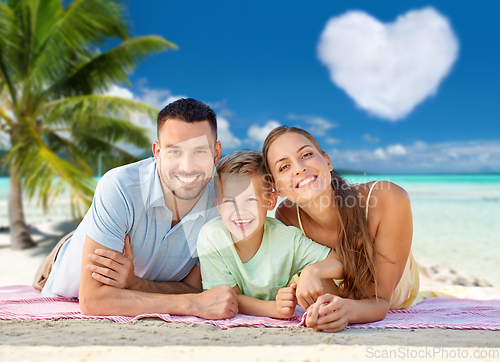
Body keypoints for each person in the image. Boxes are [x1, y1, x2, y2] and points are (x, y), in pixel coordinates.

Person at [39, 98, 238, 319]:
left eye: (200, 151)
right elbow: (94, 301)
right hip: (64, 257)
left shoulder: (224, 202)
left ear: (216, 153)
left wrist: (135, 284)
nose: (187, 167)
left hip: (136, 274)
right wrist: (192, 305)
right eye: (174, 151)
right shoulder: (121, 186)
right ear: (157, 152)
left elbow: (194, 288)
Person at [262, 126, 419, 332]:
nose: (299, 168)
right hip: (339, 286)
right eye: (284, 167)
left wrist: (343, 305)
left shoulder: (388, 199)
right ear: (278, 188)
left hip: (390, 285)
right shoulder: (287, 216)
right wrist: (323, 310)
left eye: (306, 154)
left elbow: (379, 302)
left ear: (327, 161)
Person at [197, 150, 344, 319]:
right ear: (218, 206)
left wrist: (313, 271)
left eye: (250, 200)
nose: (240, 212)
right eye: (230, 201)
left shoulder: (287, 239)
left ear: (271, 201)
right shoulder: (212, 237)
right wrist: (272, 308)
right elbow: (223, 297)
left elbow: (340, 261)